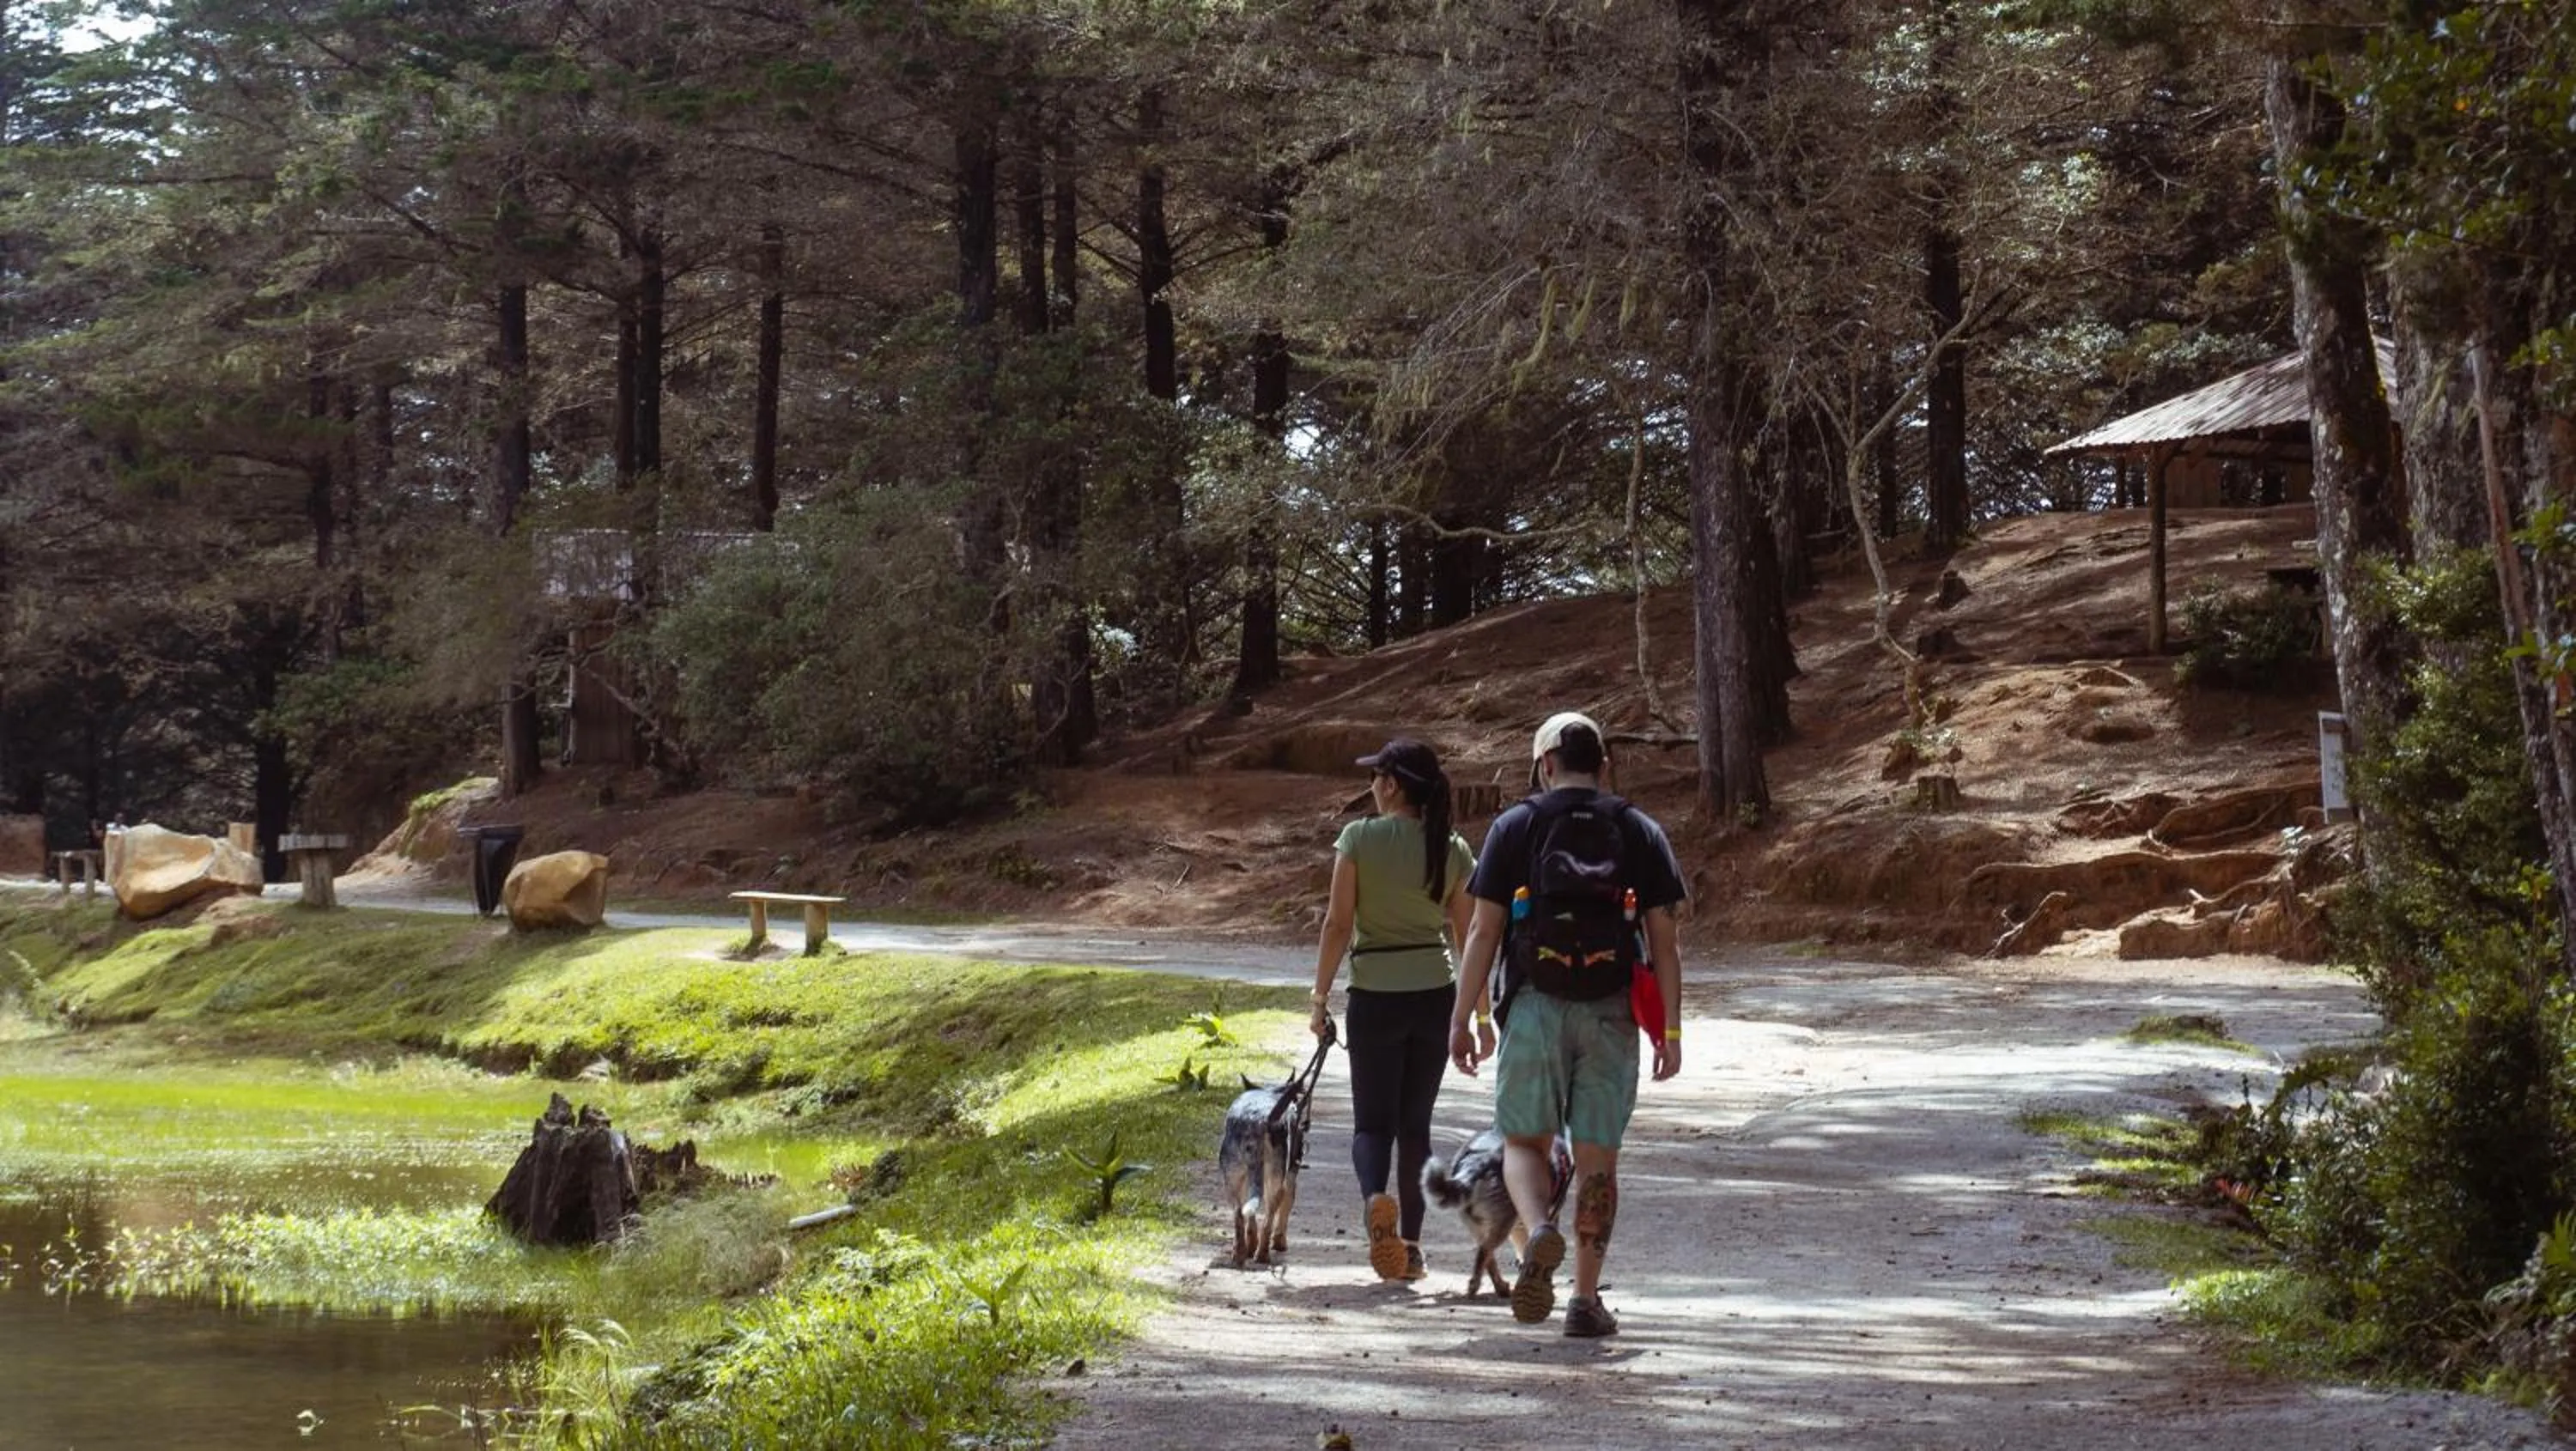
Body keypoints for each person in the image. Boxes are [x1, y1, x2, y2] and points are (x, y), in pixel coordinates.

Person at [1449, 710, 1685, 1337]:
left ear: (1545, 764)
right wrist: (1672, 1030)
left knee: (1523, 1142)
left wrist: (1463, 1018)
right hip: (1611, 1011)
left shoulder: (1515, 826)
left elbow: (1483, 929)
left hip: (1534, 1004)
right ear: (1603, 765)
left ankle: (1539, 1229)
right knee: (1598, 1162)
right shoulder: (1639, 829)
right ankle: (1584, 1298)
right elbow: (1664, 941)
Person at [1311, 736, 1488, 1282]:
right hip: (1434, 996)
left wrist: (1318, 998)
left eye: (1375, 778)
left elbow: (1338, 924)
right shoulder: (1452, 847)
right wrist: (1480, 1016)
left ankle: (1374, 1202)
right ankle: (1409, 1247)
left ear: (1391, 785)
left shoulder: (1358, 839)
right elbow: (1470, 934)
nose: (1370, 786)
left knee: (1372, 1126)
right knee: (1416, 1127)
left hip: (1374, 995)